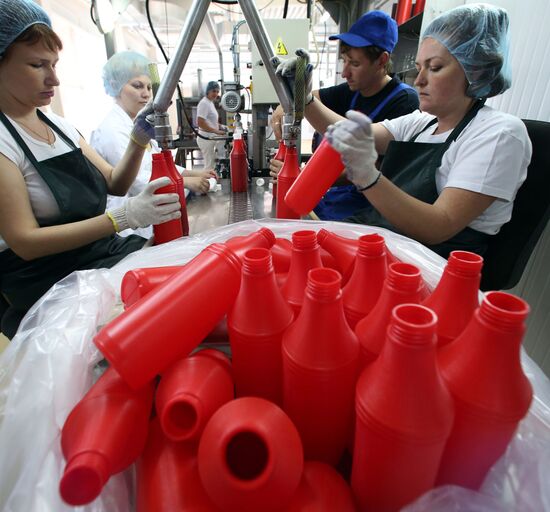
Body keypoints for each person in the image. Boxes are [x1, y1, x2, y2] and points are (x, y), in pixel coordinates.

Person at [0, 0, 180, 338]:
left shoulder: (59, 126)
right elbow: (24, 241)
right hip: (47, 279)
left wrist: (138, 139)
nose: (54, 78)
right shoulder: (3, 141)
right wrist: (121, 218)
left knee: (185, 279)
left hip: (99, 254)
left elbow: (114, 182)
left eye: (54, 64)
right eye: (38, 65)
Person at [321, 4, 531, 257]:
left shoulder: (499, 134)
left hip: (427, 263)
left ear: (474, 69)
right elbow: (354, 133)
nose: (418, 80)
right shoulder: (421, 122)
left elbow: (438, 226)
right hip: (382, 240)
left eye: (434, 67)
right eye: (419, 68)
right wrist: (303, 98)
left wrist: (367, 176)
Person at [270, 10, 419, 219]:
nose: (344, 73)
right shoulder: (352, 89)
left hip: (367, 213)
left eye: (355, 64)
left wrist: (308, 178)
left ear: (382, 60)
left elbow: (371, 168)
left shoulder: (404, 102)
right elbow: (312, 98)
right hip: (333, 201)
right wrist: (285, 104)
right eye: (344, 61)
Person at [90, 51, 214, 238]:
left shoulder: (137, 124)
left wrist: (195, 173)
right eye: (137, 86)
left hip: (149, 218)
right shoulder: (112, 130)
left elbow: (160, 164)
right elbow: (135, 181)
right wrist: (188, 182)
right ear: (115, 86)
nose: (146, 94)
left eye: (149, 87)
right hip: (127, 228)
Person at [196, 81, 226, 172]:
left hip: (210, 137)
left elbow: (210, 121)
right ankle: (207, 184)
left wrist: (223, 126)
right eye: (213, 91)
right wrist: (216, 131)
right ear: (207, 91)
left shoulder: (210, 103)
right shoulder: (204, 103)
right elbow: (200, 122)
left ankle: (212, 181)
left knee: (212, 163)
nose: (216, 94)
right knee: (209, 165)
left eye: (217, 91)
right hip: (205, 138)